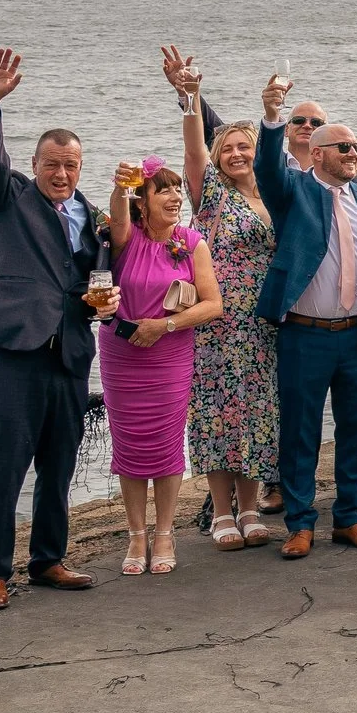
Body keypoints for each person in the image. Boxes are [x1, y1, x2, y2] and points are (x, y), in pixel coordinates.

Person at [0, 51, 112, 609]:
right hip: (11, 353)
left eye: (71, 165)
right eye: (52, 163)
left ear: (81, 167)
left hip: (69, 355)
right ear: (34, 162)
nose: (61, 174)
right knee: (2, 467)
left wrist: (106, 299)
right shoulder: (7, 197)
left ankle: (49, 559)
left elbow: (98, 278)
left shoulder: (95, 215)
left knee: (59, 466)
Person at [254, 77, 357, 559]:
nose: (353, 153)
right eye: (342, 147)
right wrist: (274, 119)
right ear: (316, 154)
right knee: (300, 430)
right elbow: (266, 170)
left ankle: (351, 518)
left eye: (354, 147)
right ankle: (300, 523)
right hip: (306, 334)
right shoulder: (293, 191)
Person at [100, 154, 225, 576]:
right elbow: (118, 214)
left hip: (169, 353)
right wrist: (122, 187)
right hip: (122, 354)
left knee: (167, 442)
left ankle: (166, 531)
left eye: (177, 190)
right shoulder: (125, 238)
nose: (174, 197)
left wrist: (165, 325)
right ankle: (136, 534)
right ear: (143, 201)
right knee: (130, 442)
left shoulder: (192, 243)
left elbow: (213, 305)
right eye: (163, 190)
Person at [176, 65, 279, 551]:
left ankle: (253, 508)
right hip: (217, 321)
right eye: (229, 149)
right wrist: (192, 98)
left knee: (257, 412)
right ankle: (221, 513)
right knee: (216, 413)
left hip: (263, 324)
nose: (237, 154)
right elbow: (193, 148)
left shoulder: (275, 197)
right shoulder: (211, 196)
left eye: (245, 146)